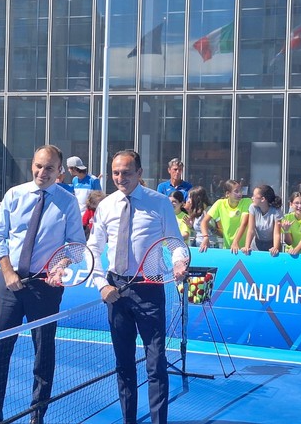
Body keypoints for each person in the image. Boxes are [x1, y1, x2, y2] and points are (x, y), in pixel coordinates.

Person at [0, 145, 84, 424]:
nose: (43, 172)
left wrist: (60, 266)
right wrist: (8, 272)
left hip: (45, 288)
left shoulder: (68, 202)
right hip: (9, 285)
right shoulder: (14, 195)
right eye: (39, 166)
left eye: (49, 168)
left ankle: (37, 415)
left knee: (43, 354)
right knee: (0, 351)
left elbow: (76, 246)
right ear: (32, 165)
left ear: (59, 171)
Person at [87, 150, 185, 424]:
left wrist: (179, 263)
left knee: (156, 365)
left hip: (149, 290)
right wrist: (101, 286)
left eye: (126, 173)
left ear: (139, 174)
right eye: (116, 173)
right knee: (124, 366)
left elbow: (175, 242)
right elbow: (93, 248)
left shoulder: (159, 202)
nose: (120, 178)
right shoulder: (106, 205)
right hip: (115, 291)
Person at [201, 179, 251, 250]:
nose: (240, 193)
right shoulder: (220, 204)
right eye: (236, 191)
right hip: (227, 249)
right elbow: (204, 222)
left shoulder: (247, 202)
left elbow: (244, 223)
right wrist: (205, 237)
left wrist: (235, 242)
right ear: (228, 194)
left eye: (240, 190)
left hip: (245, 249)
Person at [240, 184, 283, 256]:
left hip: (271, 245)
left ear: (262, 199)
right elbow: (251, 230)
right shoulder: (252, 207)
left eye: (254, 196)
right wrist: (247, 246)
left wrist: (275, 248)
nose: (252, 198)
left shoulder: (276, 211)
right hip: (256, 245)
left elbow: (276, 233)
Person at [185, 186, 216, 251]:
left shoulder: (208, 210)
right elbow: (198, 230)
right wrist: (190, 226)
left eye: (190, 197)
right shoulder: (196, 211)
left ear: (197, 198)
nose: (188, 200)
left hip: (209, 245)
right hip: (198, 244)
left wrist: (206, 222)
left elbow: (213, 228)